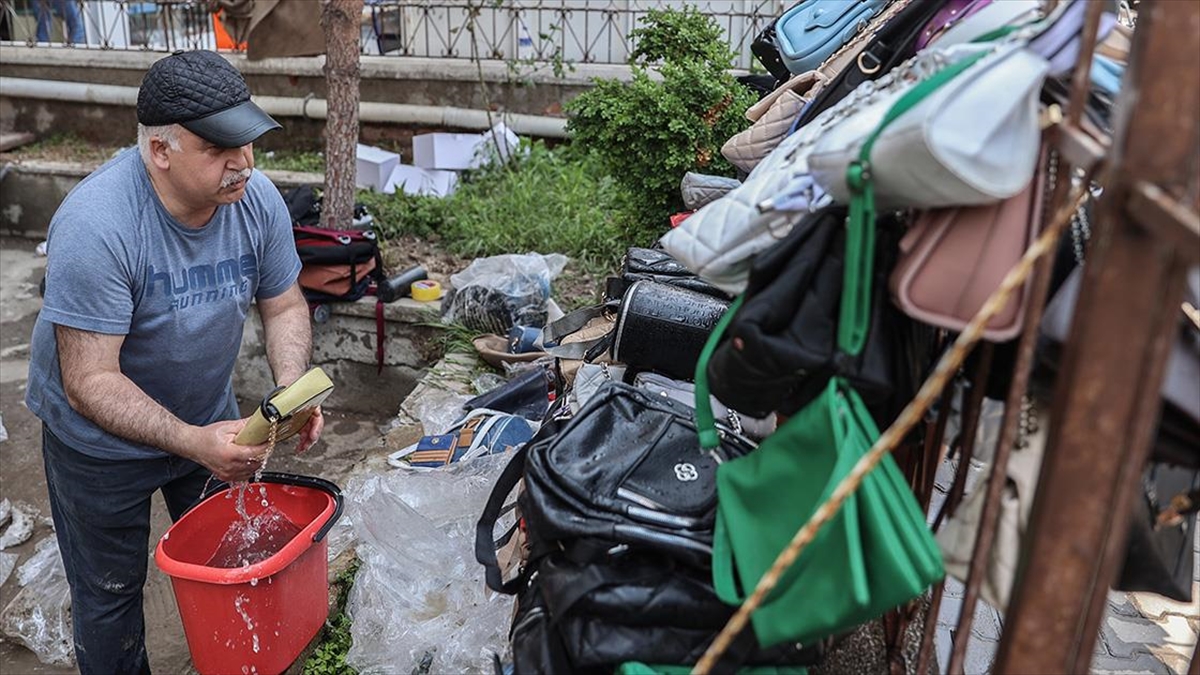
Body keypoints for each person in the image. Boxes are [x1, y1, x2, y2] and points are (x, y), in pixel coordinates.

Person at [25, 49, 322, 674]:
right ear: (160, 150)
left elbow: (284, 303)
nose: (243, 162)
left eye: (246, 141)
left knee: (235, 562)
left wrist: (292, 390)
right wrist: (189, 441)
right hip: (97, 443)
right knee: (110, 596)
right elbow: (88, 381)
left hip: (208, 416)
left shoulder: (257, 201)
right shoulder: (97, 225)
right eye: (218, 148)